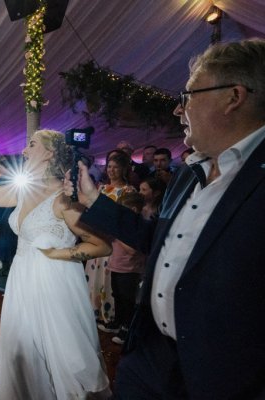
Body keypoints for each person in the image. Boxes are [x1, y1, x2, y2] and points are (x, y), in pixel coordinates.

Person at [67, 39, 265, 399]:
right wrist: (95, 200)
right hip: (149, 357)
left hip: (222, 379)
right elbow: (155, 240)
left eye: (188, 95)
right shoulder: (189, 172)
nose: (177, 109)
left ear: (233, 97)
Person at [0, 129, 112, 399]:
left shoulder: (64, 197)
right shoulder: (24, 190)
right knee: (24, 352)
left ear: (49, 153)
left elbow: (102, 245)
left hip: (54, 283)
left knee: (63, 354)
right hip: (22, 279)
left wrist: (60, 254)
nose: (23, 151)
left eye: (31, 145)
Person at [87, 151, 135, 327]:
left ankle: (110, 314)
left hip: (114, 240)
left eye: (116, 167)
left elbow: (127, 218)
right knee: (95, 274)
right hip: (98, 237)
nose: (112, 170)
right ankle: (94, 310)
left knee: (109, 279)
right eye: (109, 167)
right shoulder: (101, 188)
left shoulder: (129, 190)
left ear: (124, 169)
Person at [107, 192, 145, 346]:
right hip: (116, 266)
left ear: (134, 209)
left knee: (127, 300)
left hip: (130, 270)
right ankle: (117, 322)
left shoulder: (138, 226)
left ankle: (126, 328)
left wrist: (117, 235)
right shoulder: (123, 224)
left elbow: (133, 250)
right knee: (117, 295)